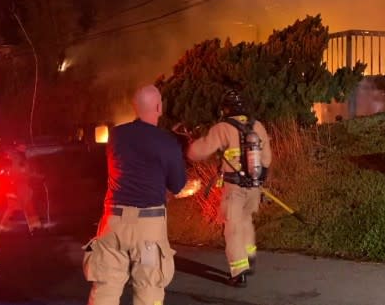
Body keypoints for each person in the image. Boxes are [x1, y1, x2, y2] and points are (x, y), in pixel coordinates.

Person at [82, 85, 187, 305]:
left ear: (135, 107)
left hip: (112, 223)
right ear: (159, 107)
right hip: (148, 229)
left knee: (105, 289)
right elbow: (177, 185)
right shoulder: (167, 142)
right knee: (148, 290)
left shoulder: (116, 136)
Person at [187, 89, 272, 287]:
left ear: (226, 108)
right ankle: (249, 256)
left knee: (232, 228)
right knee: (245, 222)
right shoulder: (257, 125)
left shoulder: (222, 128)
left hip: (234, 188)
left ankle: (238, 272)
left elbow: (200, 151)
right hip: (254, 186)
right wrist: (259, 179)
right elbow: (266, 157)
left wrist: (189, 148)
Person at [0, 147, 43, 236]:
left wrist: (37, 176)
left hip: (20, 188)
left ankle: (34, 228)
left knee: (26, 207)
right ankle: (3, 229)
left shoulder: (19, 160)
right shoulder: (16, 160)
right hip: (16, 188)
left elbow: (26, 173)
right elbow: (19, 174)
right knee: (16, 207)